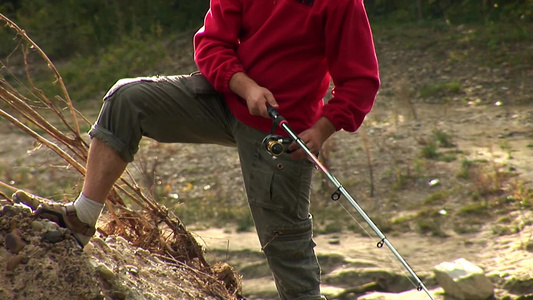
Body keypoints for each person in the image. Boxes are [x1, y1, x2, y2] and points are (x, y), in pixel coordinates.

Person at [16, 0, 379, 299]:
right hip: (227, 97)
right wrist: (246, 86)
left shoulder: (342, 4)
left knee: (289, 256)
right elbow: (211, 44)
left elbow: (360, 81)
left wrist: (322, 129)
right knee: (126, 99)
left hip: (284, 130)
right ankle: (82, 217)